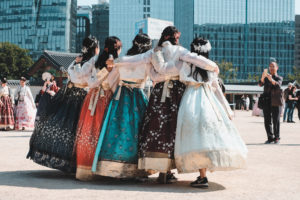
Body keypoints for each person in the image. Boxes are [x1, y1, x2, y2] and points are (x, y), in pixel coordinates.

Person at [137, 26, 219, 183]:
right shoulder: (179, 51)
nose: (178, 40)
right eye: (177, 37)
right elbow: (196, 59)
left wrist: (160, 77)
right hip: (176, 93)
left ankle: (162, 169)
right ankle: (170, 168)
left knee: (157, 126)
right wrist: (212, 66)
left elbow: (153, 73)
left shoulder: (155, 51)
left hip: (159, 92)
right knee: (175, 128)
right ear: (172, 37)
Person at [173, 37, 247, 188]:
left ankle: (202, 175)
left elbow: (181, 78)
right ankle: (203, 174)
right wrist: (227, 109)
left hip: (191, 99)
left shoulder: (187, 64)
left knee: (194, 136)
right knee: (207, 136)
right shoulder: (210, 67)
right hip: (209, 100)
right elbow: (217, 89)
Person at [27, 36, 98, 173]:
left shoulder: (77, 60)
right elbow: (84, 78)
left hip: (69, 93)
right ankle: (75, 161)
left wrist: (76, 65)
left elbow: (71, 73)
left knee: (63, 125)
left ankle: (69, 160)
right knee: (76, 127)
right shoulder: (91, 61)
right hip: (80, 95)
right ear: (95, 47)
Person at [92, 34, 152, 179]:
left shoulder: (121, 60)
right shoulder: (145, 62)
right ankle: (138, 169)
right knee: (139, 130)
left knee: (117, 129)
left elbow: (111, 81)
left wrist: (115, 93)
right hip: (138, 94)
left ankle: (113, 166)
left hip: (121, 95)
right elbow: (152, 79)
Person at [73, 36, 121, 181]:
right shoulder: (115, 64)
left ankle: (85, 167)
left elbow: (82, 76)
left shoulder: (94, 60)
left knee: (89, 131)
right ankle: (103, 169)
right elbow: (114, 84)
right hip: (105, 99)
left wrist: (77, 66)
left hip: (92, 98)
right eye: (119, 47)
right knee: (105, 132)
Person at [258, 62, 283, 144]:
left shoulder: (279, 77)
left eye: (273, 66)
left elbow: (278, 85)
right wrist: (262, 77)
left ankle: (277, 137)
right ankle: (270, 137)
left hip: (275, 100)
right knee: (267, 120)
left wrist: (271, 79)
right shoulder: (266, 78)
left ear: (277, 68)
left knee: (276, 120)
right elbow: (260, 84)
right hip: (266, 100)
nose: (271, 68)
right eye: (270, 66)